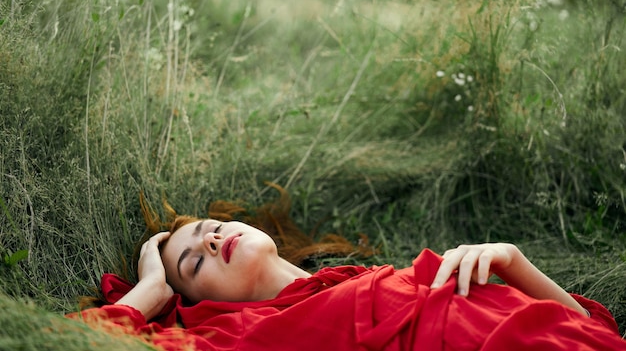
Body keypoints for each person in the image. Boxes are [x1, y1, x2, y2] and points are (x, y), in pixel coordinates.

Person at [70, 185, 626, 351]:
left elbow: (598, 330)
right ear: (193, 303)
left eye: (208, 231)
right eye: (192, 263)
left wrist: (513, 261)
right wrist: (150, 287)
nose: (212, 243)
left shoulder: (357, 278)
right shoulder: (233, 336)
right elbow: (67, 342)